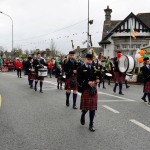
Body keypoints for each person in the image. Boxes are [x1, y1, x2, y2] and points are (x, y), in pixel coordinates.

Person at [77, 53, 100, 132]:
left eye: (91, 60)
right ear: (85, 59)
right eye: (88, 60)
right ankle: (83, 114)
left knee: (92, 108)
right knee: (86, 108)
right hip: (85, 89)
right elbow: (79, 80)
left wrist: (98, 79)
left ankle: (91, 124)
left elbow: (99, 75)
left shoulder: (94, 67)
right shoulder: (80, 68)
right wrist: (87, 82)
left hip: (93, 89)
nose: (90, 61)